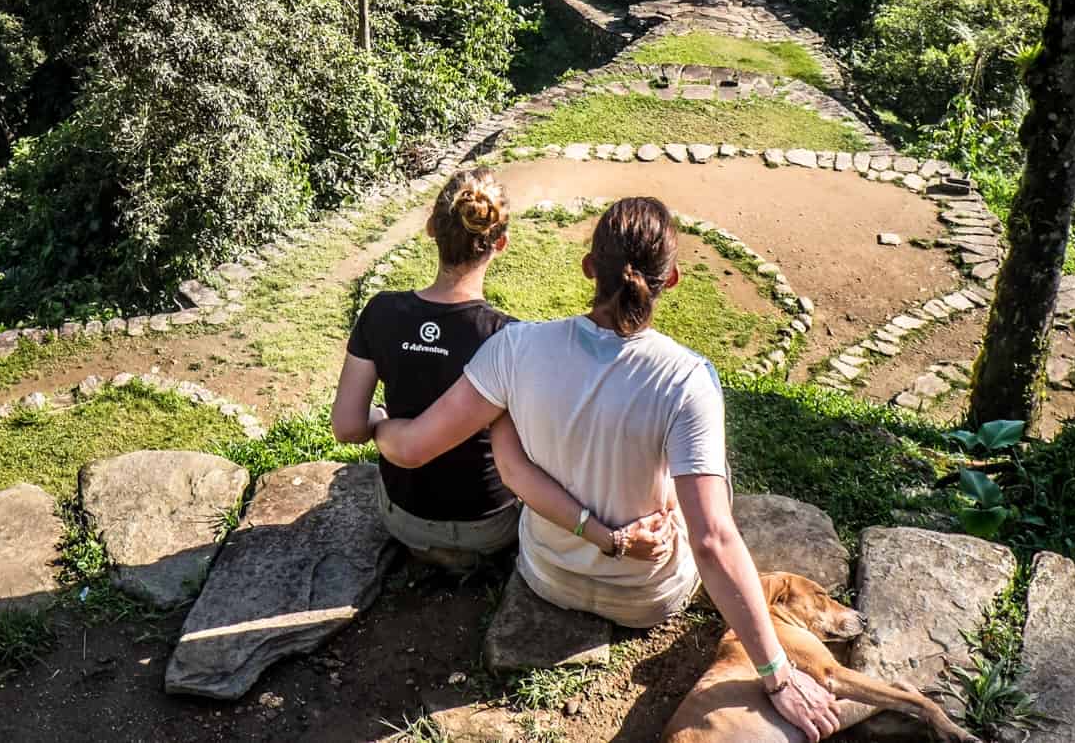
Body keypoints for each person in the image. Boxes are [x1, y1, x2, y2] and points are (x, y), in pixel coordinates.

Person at [374, 197, 844, 742]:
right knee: (692, 481)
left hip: (547, 575)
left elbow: (417, 449)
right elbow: (714, 540)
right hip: (647, 597)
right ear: (671, 279)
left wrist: (377, 422)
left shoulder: (514, 348)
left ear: (588, 268)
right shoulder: (687, 379)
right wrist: (777, 673)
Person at [332, 169, 667, 569]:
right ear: (501, 244)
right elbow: (517, 466)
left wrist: (381, 422)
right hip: (489, 527)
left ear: (432, 230)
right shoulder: (509, 339)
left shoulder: (381, 311)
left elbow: (347, 427)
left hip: (404, 519)